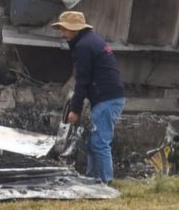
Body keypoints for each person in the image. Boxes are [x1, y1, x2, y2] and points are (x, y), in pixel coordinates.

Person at [51, 11, 125, 185]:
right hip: (108, 97)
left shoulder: (84, 46)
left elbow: (82, 81)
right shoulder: (91, 40)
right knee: (93, 142)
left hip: (107, 99)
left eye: (65, 29)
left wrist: (75, 110)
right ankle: (93, 180)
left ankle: (106, 183)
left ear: (74, 29)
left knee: (100, 142)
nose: (62, 33)